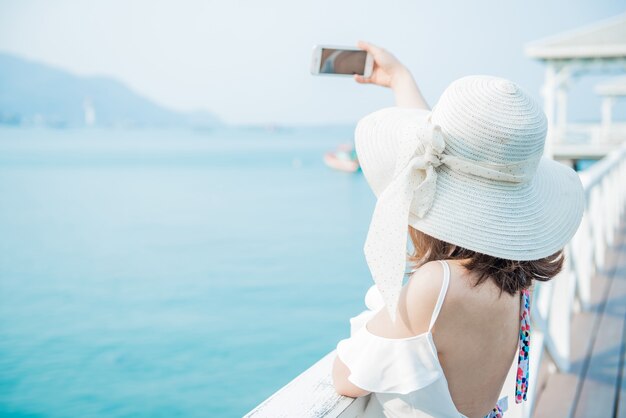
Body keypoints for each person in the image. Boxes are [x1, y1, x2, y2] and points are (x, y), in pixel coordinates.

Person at [331, 41, 585, 418]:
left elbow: (348, 376)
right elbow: (450, 147)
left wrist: (378, 313)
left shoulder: (437, 285)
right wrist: (400, 78)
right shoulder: (515, 282)